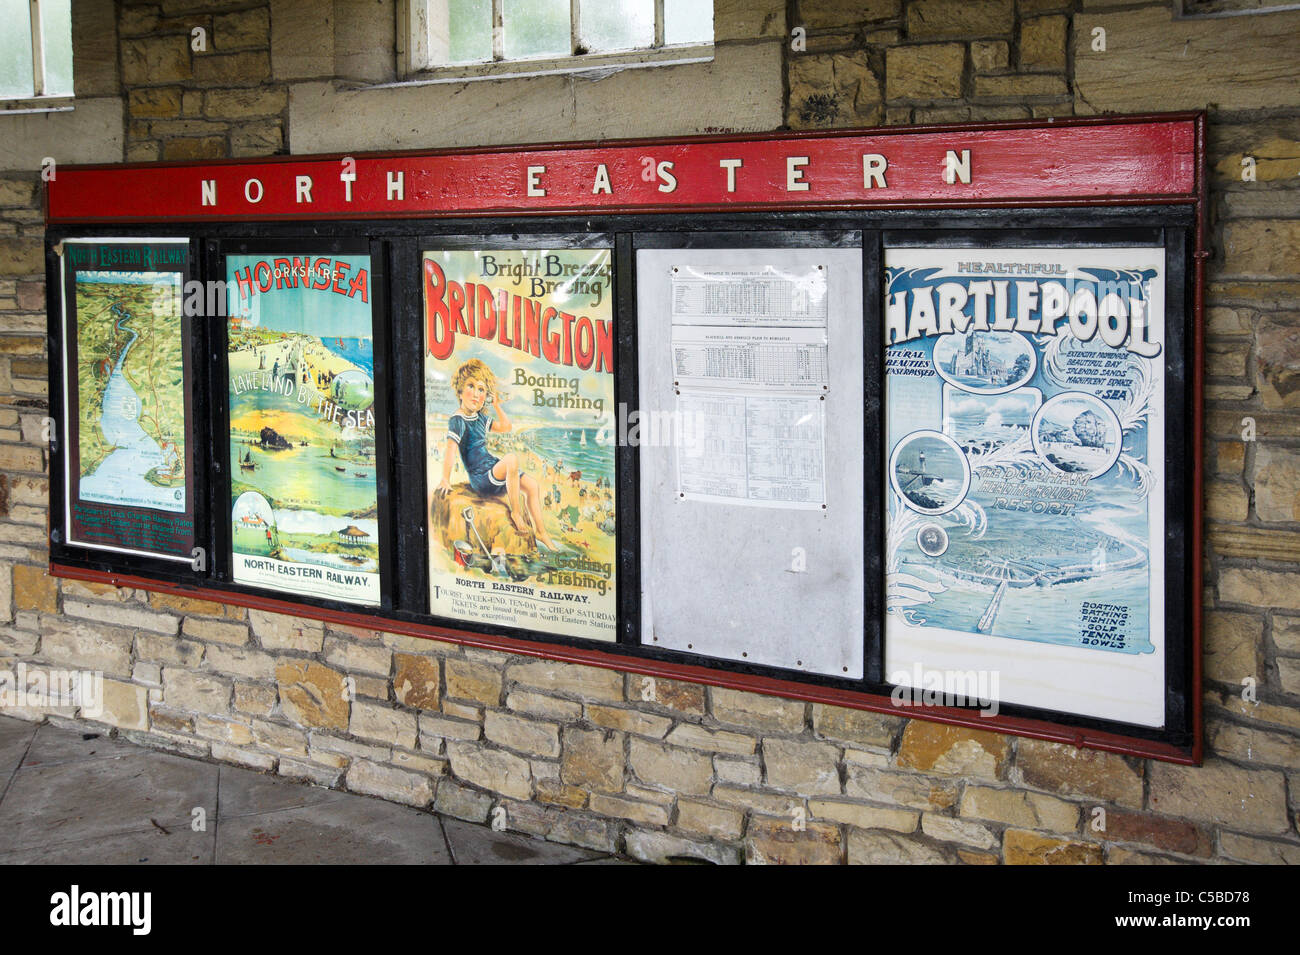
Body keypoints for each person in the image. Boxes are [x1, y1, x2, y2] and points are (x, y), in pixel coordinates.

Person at [435, 358, 558, 552]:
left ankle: (541, 531)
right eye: (471, 386)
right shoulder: (458, 420)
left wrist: (498, 405)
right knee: (511, 459)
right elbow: (451, 449)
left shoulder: (480, 417)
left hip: (492, 468)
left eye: (482, 390)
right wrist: (445, 478)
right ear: (459, 391)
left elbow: (506, 427)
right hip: (481, 478)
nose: (476, 394)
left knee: (532, 486)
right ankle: (516, 513)